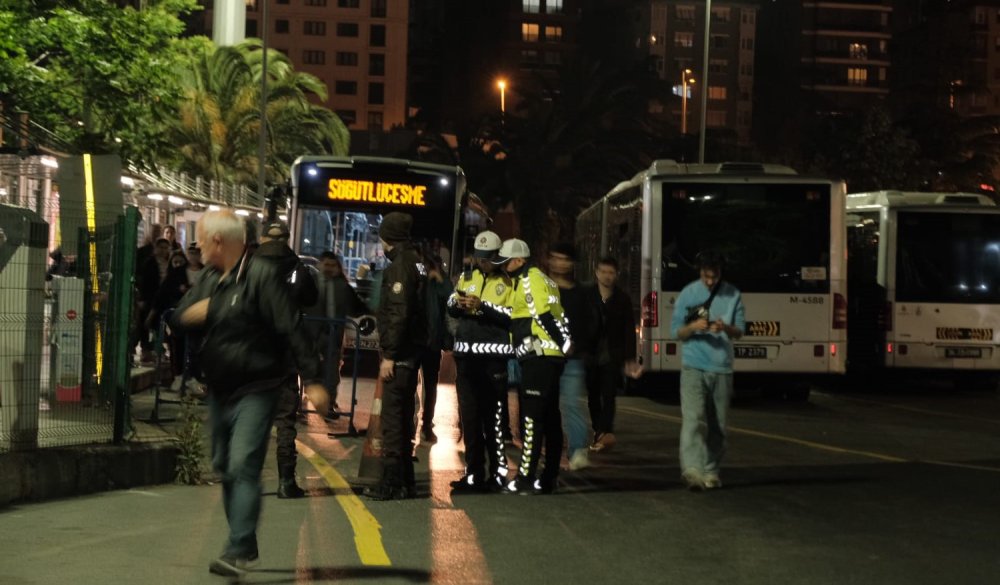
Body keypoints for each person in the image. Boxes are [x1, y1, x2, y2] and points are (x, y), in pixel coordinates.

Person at [171, 210, 328, 577]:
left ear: (219, 242)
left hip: (257, 387)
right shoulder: (210, 278)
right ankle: (245, 540)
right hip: (220, 389)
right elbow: (177, 317)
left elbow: (291, 326)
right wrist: (191, 315)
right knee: (225, 466)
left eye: (201, 239)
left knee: (243, 463)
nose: (196, 246)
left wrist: (315, 380)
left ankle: (239, 545)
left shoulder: (261, 276)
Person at [495, 238, 571, 495]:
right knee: (550, 417)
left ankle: (526, 477)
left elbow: (542, 315)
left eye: (506, 262)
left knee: (532, 419)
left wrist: (564, 344)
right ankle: (549, 477)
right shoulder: (546, 280)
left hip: (538, 356)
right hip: (549, 357)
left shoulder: (530, 280)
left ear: (518, 260)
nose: (504, 267)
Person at [363, 212, 428, 501]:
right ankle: (405, 482)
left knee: (393, 420)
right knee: (402, 419)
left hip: (400, 355)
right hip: (412, 352)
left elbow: (399, 313)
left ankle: (390, 483)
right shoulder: (417, 262)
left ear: (388, 237)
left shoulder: (400, 267)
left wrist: (389, 354)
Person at [669, 250, 745, 491]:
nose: (709, 281)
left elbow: (740, 331)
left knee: (718, 425)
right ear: (700, 272)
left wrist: (726, 328)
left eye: (714, 276)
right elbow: (676, 332)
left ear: (720, 273)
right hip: (693, 365)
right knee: (693, 419)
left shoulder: (733, 294)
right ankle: (691, 470)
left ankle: (711, 469)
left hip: (721, 367)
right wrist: (692, 326)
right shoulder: (688, 293)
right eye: (705, 275)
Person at [256, 221, 320, 500]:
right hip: (284, 355)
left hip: (251, 355)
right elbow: (311, 299)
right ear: (286, 238)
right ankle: (285, 481)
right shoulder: (298, 268)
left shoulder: (248, 267)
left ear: (262, 238)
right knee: (284, 420)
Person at [447, 230, 513, 492]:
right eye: (479, 257)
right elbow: (451, 303)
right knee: (470, 420)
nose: (482, 262)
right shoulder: (466, 277)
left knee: (494, 420)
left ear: (497, 257)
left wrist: (482, 307)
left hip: (493, 361)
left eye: (487, 259)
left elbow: (511, 315)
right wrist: (459, 303)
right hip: (465, 360)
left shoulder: (508, 283)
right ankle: (473, 475)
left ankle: (497, 476)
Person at [546, 242, 601, 471]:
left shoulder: (582, 293)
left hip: (573, 359)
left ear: (572, 263)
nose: (560, 263)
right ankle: (548, 452)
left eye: (565, 259)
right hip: (545, 356)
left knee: (571, 404)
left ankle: (578, 450)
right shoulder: (542, 289)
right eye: (556, 258)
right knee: (546, 407)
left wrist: (582, 346)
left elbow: (591, 323)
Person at [586, 257, 642, 453]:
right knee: (593, 394)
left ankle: (605, 431)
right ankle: (598, 429)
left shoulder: (622, 298)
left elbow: (628, 330)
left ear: (616, 275)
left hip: (612, 353)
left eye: (611, 273)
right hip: (591, 353)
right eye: (603, 272)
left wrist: (630, 358)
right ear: (597, 272)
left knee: (609, 394)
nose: (607, 276)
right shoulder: (588, 295)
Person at [313, 251, 370, 417]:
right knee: (311, 370)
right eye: (327, 265)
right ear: (320, 264)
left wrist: (372, 309)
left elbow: (356, 306)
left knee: (331, 373)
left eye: (333, 265)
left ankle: (328, 405)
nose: (330, 269)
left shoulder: (342, 286)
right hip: (313, 335)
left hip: (333, 334)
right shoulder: (312, 282)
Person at [418, 252, 451, 444]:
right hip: (417, 341)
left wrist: (439, 279)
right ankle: (413, 422)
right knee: (410, 386)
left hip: (433, 342)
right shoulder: (419, 281)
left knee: (430, 387)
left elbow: (451, 299)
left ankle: (427, 424)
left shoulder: (441, 283)